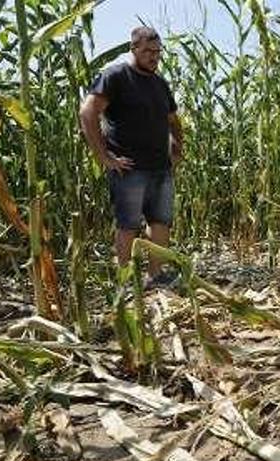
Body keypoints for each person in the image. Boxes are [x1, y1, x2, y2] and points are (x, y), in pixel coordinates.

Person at [79, 26, 183, 287]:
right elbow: (88, 112)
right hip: (129, 168)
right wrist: (105, 157)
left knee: (161, 222)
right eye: (148, 51)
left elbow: (173, 119)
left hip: (160, 168)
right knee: (128, 225)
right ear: (133, 48)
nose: (154, 57)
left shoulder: (160, 84)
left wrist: (177, 145)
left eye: (157, 52)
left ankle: (155, 275)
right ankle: (125, 282)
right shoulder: (116, 76)